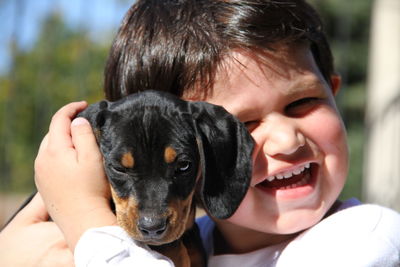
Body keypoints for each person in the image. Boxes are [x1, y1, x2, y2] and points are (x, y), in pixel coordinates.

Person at [1, 0, 400, 266]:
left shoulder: (366, 239)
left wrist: (82, 215)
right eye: (240, 125)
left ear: (334, 91)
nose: (287, 140)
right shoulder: (182, 245)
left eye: (301, 104)